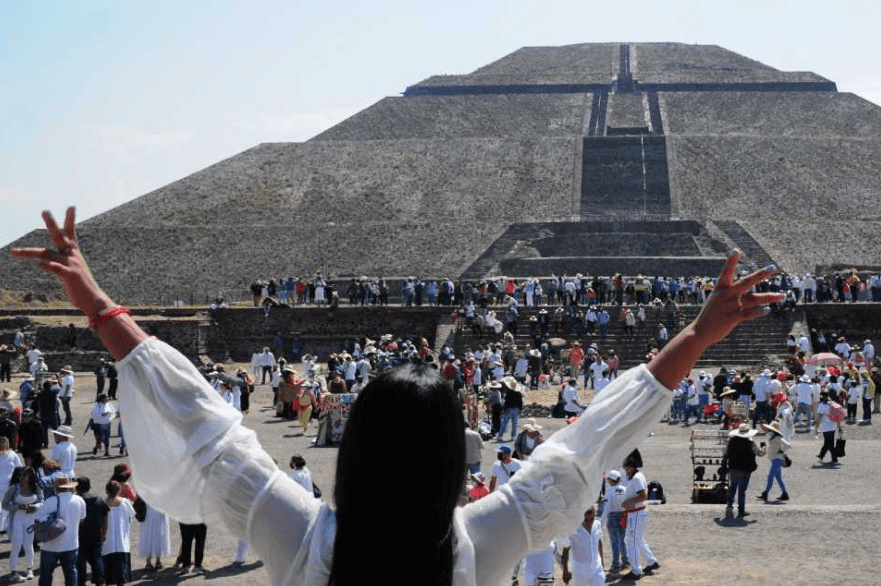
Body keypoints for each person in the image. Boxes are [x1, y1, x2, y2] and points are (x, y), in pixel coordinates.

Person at [11, 208, 782, 586]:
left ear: (358, 449)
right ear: (455, 459)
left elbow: (201, 423)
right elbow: (591, 441)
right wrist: (701, 332)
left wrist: (95, 297)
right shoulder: (484, 537)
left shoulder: (298, 534)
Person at [35, 475, 87, 586]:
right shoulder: (79, 500)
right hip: (71, 544)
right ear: (69, 486)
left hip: (50, 545)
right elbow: (82, 519)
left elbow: (39, 520)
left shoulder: (50, 501)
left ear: (56, 488)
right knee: (71, 574)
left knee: (46, 575)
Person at [621, 453, 660, 579]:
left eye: (626, 469)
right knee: (639, 539)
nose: (625, 472)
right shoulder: (638, 476)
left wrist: (627, 502)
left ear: (630, 468)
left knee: (632, 541)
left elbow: (643, 496)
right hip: (637, 512)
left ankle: (636, 570)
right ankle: (651, 561)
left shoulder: (636, 478)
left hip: (636, 513)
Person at [4, 467, 41, 582]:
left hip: (30, 519)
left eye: (25, 475)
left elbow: (42, 502)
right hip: (16, 519)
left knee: (29, 545)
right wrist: (17, 507)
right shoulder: (13, 488)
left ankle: (29, 568)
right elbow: (4, 504)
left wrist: (34, 507)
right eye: (21, 475)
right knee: (16, 545)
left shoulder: (36, 488)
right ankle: (13, 572)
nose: (23, 478)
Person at [723, 422, 764, 520]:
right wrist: (764, 447)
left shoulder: (731, 441)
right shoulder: (751, 443)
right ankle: (741, 512)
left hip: (733, 468)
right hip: (745, 469)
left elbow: (726, 453)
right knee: (742, 491)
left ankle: (729, 509)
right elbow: (760, 453)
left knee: (732, 488)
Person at [76, 476, 108, 586]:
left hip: (79, 537)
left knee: (80, 563)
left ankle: (81, 583)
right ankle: (100, 582)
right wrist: (104, 532)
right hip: (96, 535)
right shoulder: (99, 500)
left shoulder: (75, 501)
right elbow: (105, 518)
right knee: (97, 560)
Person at [103, 480, 135, 586]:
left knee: (109, 577)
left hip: (108, 544)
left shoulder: (103, 504)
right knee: (121, 578)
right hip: (122, 543)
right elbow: (131, 517)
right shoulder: (125, 503)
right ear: (118, 490)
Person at [561, 506, 604, 586]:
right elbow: (565, 551)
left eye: (593, 519)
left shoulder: (597, 524)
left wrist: (602, 561)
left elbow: (599, 542)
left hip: (596, 568)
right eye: (589, 520)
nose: (591, 522)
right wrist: (565, 571)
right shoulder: (572, 529)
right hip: (578, 571)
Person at [601, 469, 627, 575]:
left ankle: (616, 564)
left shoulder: (609, 491)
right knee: (622, 540)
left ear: (612, 480)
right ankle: (626, 561)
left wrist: (600, 522)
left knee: (614, 541)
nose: (607, 481)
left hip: (613, 516)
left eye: (609, 479)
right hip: (623, 515)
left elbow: (606, 507)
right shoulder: (625, 489)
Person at [758, 421, 790, 503]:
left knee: (770, 477)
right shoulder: (774, 436)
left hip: (776, 459)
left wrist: (781, 450)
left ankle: (765, 493)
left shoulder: (777, 438)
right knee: (778, 478)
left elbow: (788, 445)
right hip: (775, 459)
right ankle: (784, 494)